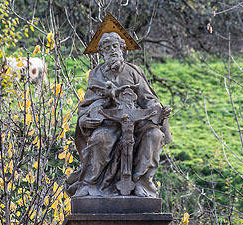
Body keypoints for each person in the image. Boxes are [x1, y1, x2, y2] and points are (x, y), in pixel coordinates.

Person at [65, 32, 172, 197]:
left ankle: (140, 182)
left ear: (122, 48)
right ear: (102, 53)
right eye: (107, 48)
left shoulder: (133, 71)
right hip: (109, 122)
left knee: (154, 135)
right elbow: (88, 105)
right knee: (101, 139)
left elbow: (148, 98)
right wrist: (87, 119)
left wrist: (158, 110)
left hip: (137, 123)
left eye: (115, 46)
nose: (113, 51)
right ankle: (90, 184)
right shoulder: (96, 74)